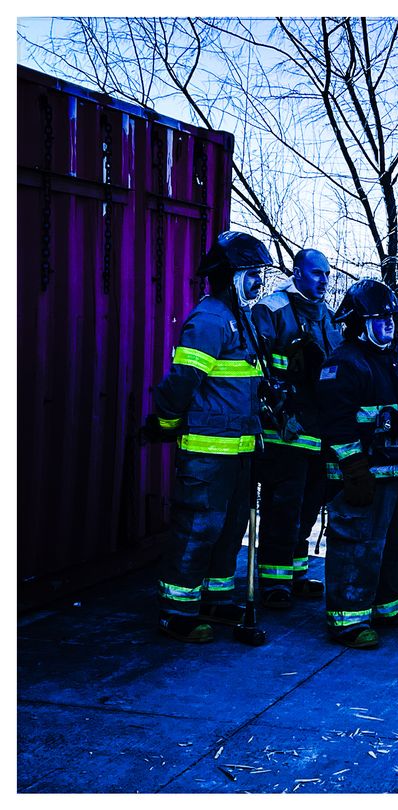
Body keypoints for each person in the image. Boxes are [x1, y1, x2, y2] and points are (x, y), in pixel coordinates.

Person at [144, 230, 271, 642]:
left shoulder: (242, 319)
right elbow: (182, 381)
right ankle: (177, 612)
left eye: (260, 275)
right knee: (198, 529)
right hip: (207, 453)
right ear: (227, 275)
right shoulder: (211, 319)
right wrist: (162, 423)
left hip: (240, 452)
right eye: (251, 274)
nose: (258, 283)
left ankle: (216, 600)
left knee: (231, 529)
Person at [316, 279, 398, 649]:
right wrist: (354, 470)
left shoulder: (392, 363)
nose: (390, 326)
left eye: (393, 318)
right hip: (363, 480)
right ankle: (347, 619)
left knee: (397, 544)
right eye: (381, 319)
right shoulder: (343, 364)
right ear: (359, 322)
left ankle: (386, 607)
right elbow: (335, 423)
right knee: (358, 546)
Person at [250, 249, 343, 609]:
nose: (323, 281)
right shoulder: (271, 311)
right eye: (317, 273)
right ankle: (275, 583)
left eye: (327, 275)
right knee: (284, 506)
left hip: (319, 431)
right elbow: (256, 369)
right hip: (284, 431)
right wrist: (279, 406)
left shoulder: (329, 317)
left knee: (309, 504)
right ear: (297, 272)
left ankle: (297, 574)